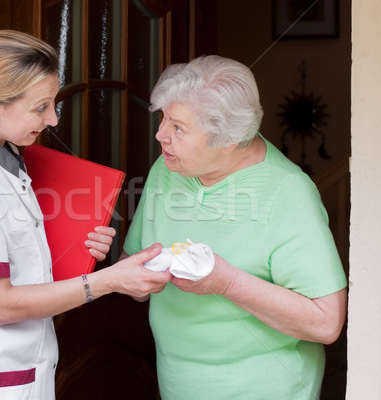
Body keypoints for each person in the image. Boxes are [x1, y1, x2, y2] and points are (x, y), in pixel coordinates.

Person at [0, 30, 171, 400]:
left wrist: (78, 251)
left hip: (24, 371)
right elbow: (0, 305)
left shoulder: (6, 155)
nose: (52, 119)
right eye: (41, 107)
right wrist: (110, 282)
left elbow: (20, 260)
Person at [122, 55, 348, 399]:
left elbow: (326, 322)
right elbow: (134, 271)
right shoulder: (168, 169)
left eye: (178, 127)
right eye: (163, 118)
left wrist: (226, 282)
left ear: (228, 140)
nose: (161, 134)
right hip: (177, 384)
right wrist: (125, 276)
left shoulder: (288, 192)